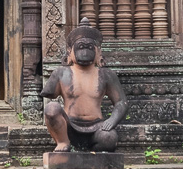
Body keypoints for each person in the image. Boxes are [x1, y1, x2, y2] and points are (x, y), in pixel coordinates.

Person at [41, 18, 128, 152]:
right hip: (68, 126)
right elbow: (48, 94)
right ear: (70, 52)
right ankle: (63, 143)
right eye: (81, 47)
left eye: (89, 47)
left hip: (97, 127)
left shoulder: (106, 75)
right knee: (51, 108)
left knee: (109, 138)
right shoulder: (61, 73)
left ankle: (89, 152)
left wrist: (112, 120)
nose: (85, 51)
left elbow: (121, 102)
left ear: (98, 51)